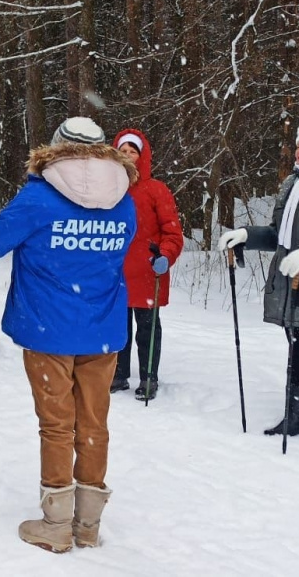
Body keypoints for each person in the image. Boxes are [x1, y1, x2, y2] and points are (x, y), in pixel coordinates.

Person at [0, 117, 137, 553]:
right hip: (102, 328)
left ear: (57, 147)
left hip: (49, 327)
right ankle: (87, 523)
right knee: (94, 422)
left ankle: (56, 523)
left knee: (56, 424)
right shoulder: (123, 199)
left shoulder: (41, 197)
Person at [219, 119, 299, 454]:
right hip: (295, 286)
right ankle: (296, 415)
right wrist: (247, 236)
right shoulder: (293, 182)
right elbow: (279, 235)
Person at [110, 129, 184, 400]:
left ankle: (148, 376)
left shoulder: (156, 190)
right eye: (123, 151)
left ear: (142, 156)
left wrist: (164, 255)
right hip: (115, 270)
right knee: (119, 327)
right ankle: (118, 374)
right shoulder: (108, 189)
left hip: (148, 269)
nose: (127, 156)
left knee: (147, 328)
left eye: (133, 151)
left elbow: (172, 232)